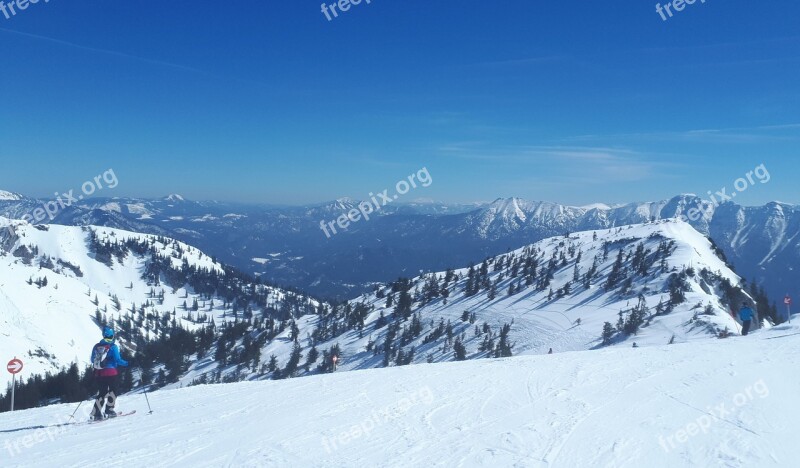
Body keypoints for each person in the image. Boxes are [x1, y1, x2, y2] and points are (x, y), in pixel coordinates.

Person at [89, 327, 129, 421]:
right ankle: (109, 410)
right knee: (113, 391)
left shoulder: (96, 346)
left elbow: (92, 360)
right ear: (112, 335)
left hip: (99, 373)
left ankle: (96, 413)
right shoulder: (113, 347)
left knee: (102, 393)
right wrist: (128, 363)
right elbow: (118, 360)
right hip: (111, 373)